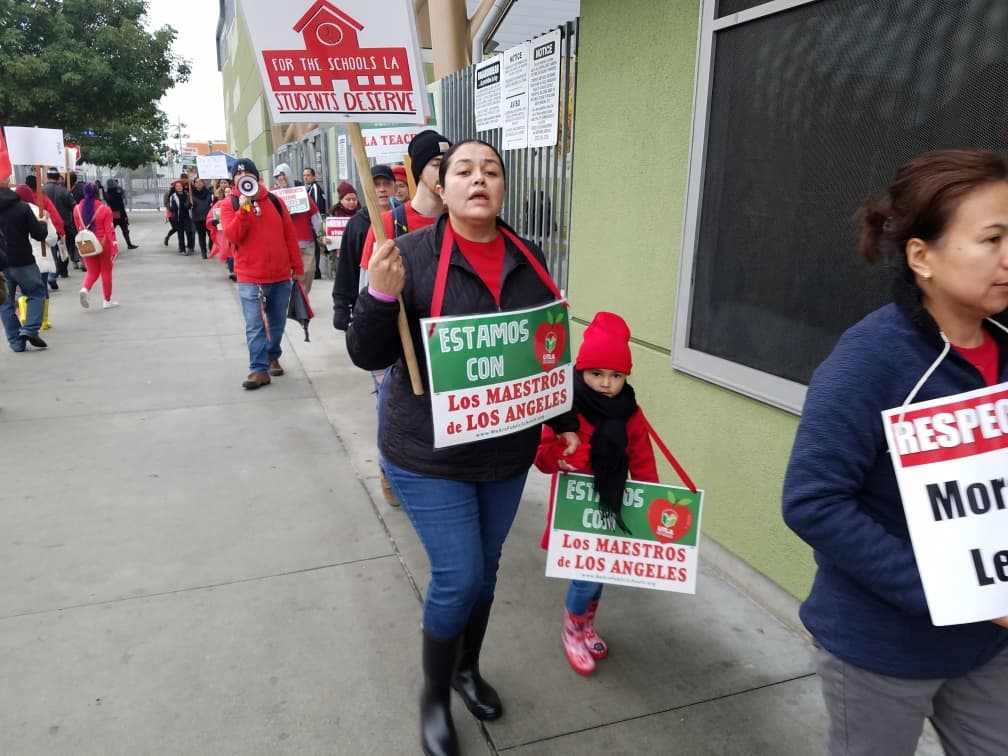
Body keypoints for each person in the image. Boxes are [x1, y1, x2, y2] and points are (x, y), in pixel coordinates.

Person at [346, 139, 580, 756]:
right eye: (464, 171)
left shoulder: (532, 257)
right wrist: (379, 296)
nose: (480, 179)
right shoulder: (410, 256)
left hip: (505, 451)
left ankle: (466, 668)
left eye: (492, 171)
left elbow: (548, 357)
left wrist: (572, 419)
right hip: (430, 454)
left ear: (504, 188)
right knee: (459, 576)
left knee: (486, 573)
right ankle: (433, 697)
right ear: (440, 187)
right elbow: (367, 354)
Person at [782, 148, 1008, 756]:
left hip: (987, 648)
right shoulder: (872, 359)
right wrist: (947, 591)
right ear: (921, 256)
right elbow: (813, 501)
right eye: (991, 238)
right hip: (880, 650)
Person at [533, 311, 659, 676]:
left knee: (601, 570)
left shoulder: (630, 413)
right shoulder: (566, 408)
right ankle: (572, 630)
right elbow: (542, 454)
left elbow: (642, 456)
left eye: (616, 375)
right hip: (577, 508)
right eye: (597, 373)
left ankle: (587, 626)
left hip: (612, 501)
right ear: (581, 372)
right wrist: (559, 457)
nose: (606, 383)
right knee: (585, 574)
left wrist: (648, 499)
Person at [357, 131, 451, 508]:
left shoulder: (464, 220)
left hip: (447, 344)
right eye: (434, 163)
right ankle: (388, 467)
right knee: (390, 410)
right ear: (416, 169)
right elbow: (371, 291)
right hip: (400, 345)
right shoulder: (388, 224)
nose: (444, 170)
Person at [219, 158, 304, 390]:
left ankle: (272, 355)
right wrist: (244, 208)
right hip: (250, 277)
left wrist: (297, 268)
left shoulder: (275, 201)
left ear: (256, 177)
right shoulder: (230, 204)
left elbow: (289, 236)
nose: (242, 176)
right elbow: (233, 235)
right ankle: (258, 369)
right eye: (237, 174)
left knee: (277, 323)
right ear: (233, 179)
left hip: (280, 276)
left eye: (247, 173)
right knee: (255, 325)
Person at [332, 164, 395, 330]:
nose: (382, 189)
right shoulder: (357, 225)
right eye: (376, 184)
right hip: (369, 304)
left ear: (395, 187)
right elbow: (346, 268)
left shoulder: (403, 219)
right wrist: (341, 306)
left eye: (386, 184)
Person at [0, 176, 51, 351]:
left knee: (5, 303)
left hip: (1, 263)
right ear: (7, 183)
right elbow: (39, 234)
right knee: (36, 293)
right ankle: (29, 329)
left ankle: (15, 341)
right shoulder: (21, 207)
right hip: (22, 260)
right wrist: (43, 223)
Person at [15, 183, 63, 330]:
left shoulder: (10, 212)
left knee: (24, 289)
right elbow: (52, 238)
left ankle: (24, 314)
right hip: (41, 257)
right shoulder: (40, 212)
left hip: (20, 258)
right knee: (41, 290)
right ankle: (43, 321)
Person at [272, 163, 322, 292]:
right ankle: (290, 302)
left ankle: (302, 301)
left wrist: (319, 235)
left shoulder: (302, 194)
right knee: (287, 276)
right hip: (283, 243)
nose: (283, 179)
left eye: (285, 176)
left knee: (308, 273)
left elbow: (315, 216)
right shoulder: (273, 196)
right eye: (279, 177)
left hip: (305, 242)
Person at [74, 182, 119, 309]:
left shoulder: (76, 209)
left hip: (86, 243)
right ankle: (107, 300)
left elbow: (78, 228)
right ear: (97, 193)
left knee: (92, 272)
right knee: (106, 272)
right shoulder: (104, 209)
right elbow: (110, 231)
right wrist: (114, 248)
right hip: (102, 244)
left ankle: (85, 289)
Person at [41, 168, 76, 278]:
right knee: (63, 249)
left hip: (46, 225)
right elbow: (73, 205)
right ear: (58, 177)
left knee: (52, 250)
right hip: (63, 224)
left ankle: (52, 273)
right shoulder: (63, 190)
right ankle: (62, 271)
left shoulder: (41, 190)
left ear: (47, 177)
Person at [303, 167, 328, 281]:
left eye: (308, 175)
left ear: (313, 176)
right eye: (304, 175)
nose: (305, 177)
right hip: (312, 223)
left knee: (316, 247)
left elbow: (317, 207)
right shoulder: (308, 189)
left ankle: (316, 270)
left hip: (315, 222)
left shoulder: (314, 188)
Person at [104, 178, 139, 250]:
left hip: (111, 213)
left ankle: (109, 246)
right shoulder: (117, 193)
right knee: (125, 229)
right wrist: (125, 216)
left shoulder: (107, 193)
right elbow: (121, 205)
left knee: (110, 231)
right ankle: (129, 244)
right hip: (119, 213)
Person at [190, 178, 214, 258]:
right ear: (194, 184)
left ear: (203, 183)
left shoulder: (208, 193)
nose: (199, 183)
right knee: (201, 236)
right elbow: (187, 205)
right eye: (196, 182)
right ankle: (203, 252)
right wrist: (190, 204)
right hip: (198, 218)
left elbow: (213, 202)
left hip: (209, 218)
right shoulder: (191, 194)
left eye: (200, 181)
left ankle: (211, 248)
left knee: (212, 236)